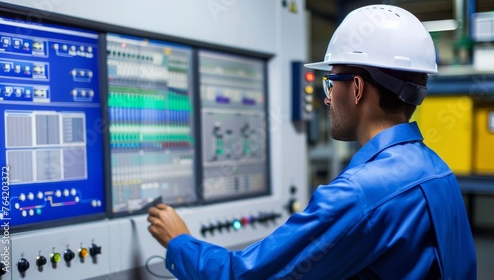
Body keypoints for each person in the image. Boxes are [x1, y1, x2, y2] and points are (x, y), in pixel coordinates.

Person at [147, 4, 477, 279]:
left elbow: (245, 276)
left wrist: (179, 242)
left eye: (330, 83)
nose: (328, 99)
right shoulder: (437, 170)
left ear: (357, 88)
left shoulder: (358, 194)